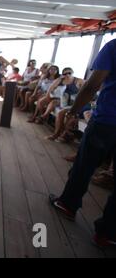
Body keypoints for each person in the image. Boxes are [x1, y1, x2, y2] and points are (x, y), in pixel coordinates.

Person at [49, 38, 116, 247]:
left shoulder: (113, 47)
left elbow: (93, 84)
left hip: (107, 121)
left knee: (84, 165)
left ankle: (68, 204)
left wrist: (74, 110)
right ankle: (108, 233)